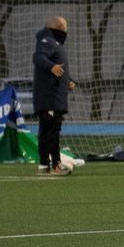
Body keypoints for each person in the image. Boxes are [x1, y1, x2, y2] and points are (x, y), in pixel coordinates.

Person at [32, 16, 77, 176]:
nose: (66, 30)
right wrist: (51, 67)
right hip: (49, 96)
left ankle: (44, 164)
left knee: (47, 130)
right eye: (65, 27)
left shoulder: (54, 43)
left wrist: (68, 80)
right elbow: (38, 57)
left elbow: (59, 68)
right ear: (58, 28)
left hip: (54, 95)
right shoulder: (47, 41)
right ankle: (56, 163)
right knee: (52, 130)